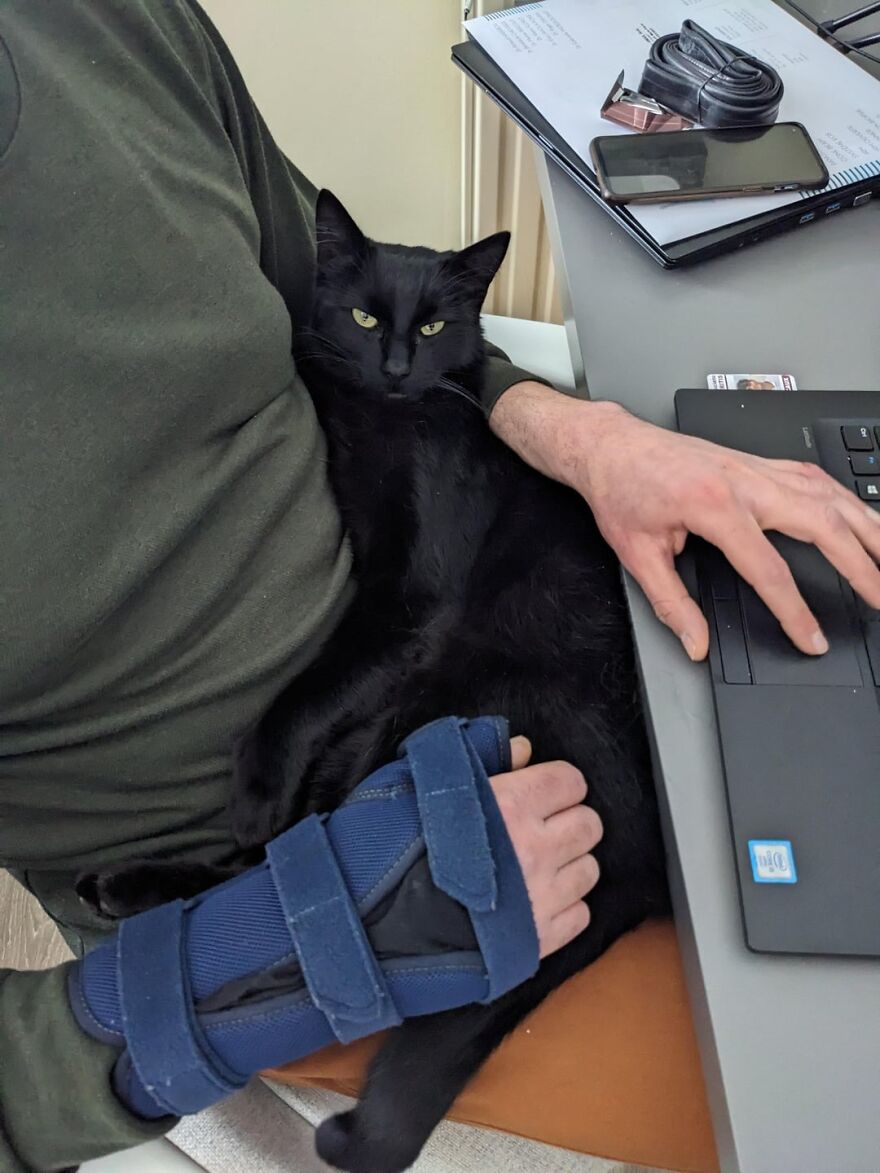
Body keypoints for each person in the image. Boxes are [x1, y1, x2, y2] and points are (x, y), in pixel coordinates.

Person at [4, 3, 880, 1170]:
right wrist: (266, 951)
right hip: (280, 879)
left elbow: (295, 264)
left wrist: (571, 429)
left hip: (474, 615)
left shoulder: (87, 25)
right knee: (832, 1083)